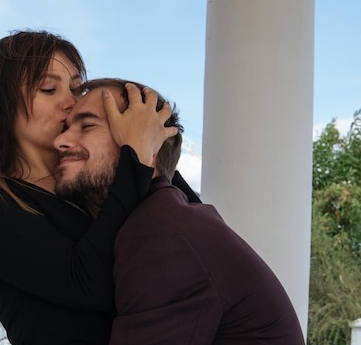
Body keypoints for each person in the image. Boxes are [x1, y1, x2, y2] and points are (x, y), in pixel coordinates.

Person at [0, 30, 180, 345]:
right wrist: (135, 157)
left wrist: (147, 141)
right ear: (2, 101)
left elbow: (186, 219)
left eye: (76, 88)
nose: (70, 102)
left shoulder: (91, 172)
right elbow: (86, 284)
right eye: (48, 88)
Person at [54, 78, 306, 345]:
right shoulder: (168, 215)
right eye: (67, 127)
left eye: (87, 125)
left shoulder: (159, 231)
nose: (60, 140)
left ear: (147, 142)